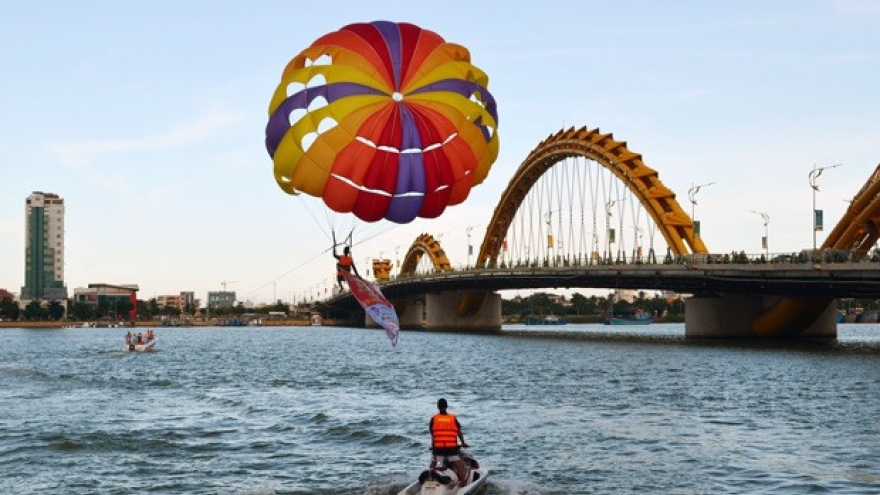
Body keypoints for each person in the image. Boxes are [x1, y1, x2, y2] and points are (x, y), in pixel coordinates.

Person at [429, 398, 469, 486]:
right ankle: (464, 483)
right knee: (458, 464)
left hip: (438, 448)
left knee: (433, 464)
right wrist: (463, 443)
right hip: (451, 448)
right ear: (446, 407)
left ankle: (430, 479)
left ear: (438, 407)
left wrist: (433, 445)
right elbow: (458, 432)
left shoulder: (434, 419)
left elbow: (433, 434)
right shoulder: (452, 418)